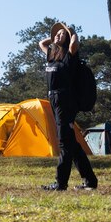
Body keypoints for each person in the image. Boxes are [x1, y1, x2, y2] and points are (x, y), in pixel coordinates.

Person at [39, 22, 98, 191]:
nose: (57, 36)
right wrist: (55, 35)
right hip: (54, 98)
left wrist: (71, 32)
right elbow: (41, 44)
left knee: (65, 142)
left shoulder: (70, 56)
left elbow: (74, 44)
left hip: (65, 100)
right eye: (56, 34)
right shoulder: (52, 54)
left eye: (61, 35)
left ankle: (60, 183)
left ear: (67, 39)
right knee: (72, 143)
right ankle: (90, 181)